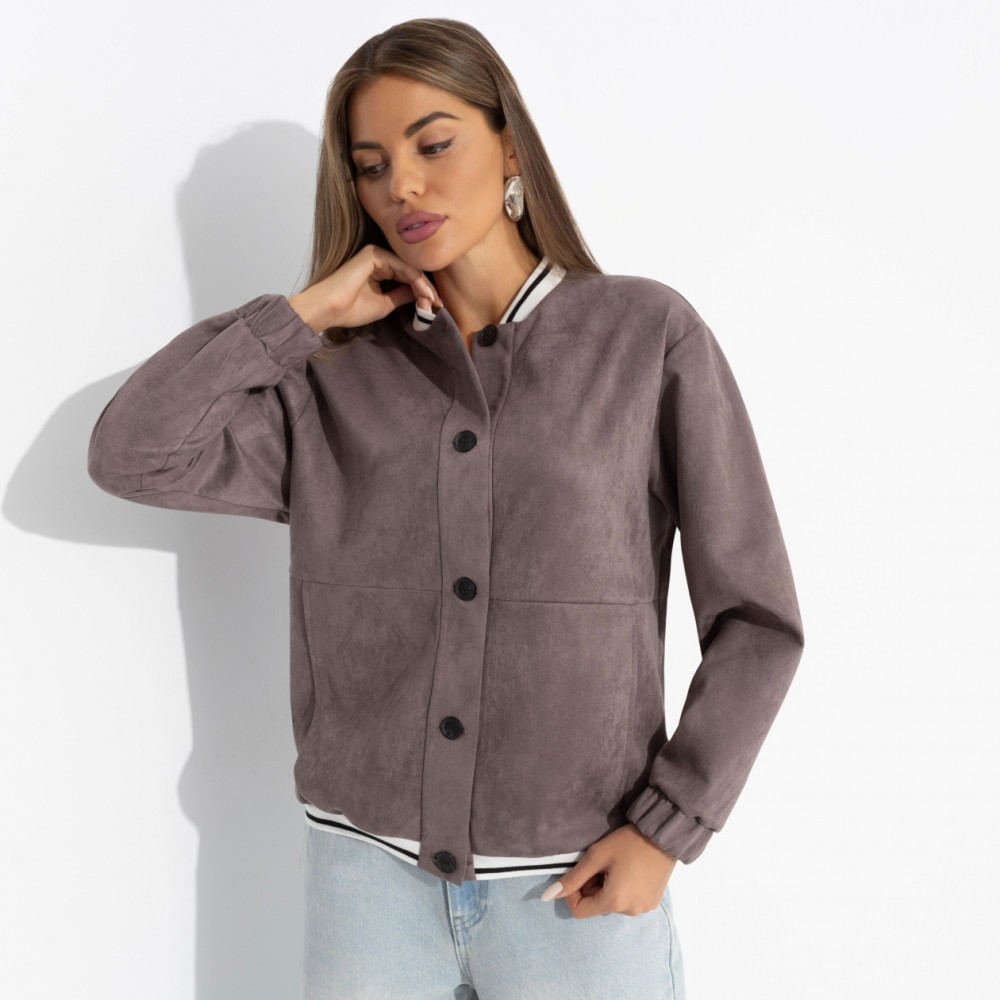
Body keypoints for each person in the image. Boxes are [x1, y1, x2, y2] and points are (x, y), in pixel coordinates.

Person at [88, 17, 804, 1000]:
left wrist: (665, 829)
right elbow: (132, 454)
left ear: (509, 146)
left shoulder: (643, 337)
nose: (404, 187)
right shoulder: (334, 377)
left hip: (579, 884)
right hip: (365, 886)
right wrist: (301, 316)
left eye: (433, 144)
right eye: (371, 166)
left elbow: (756, 620)